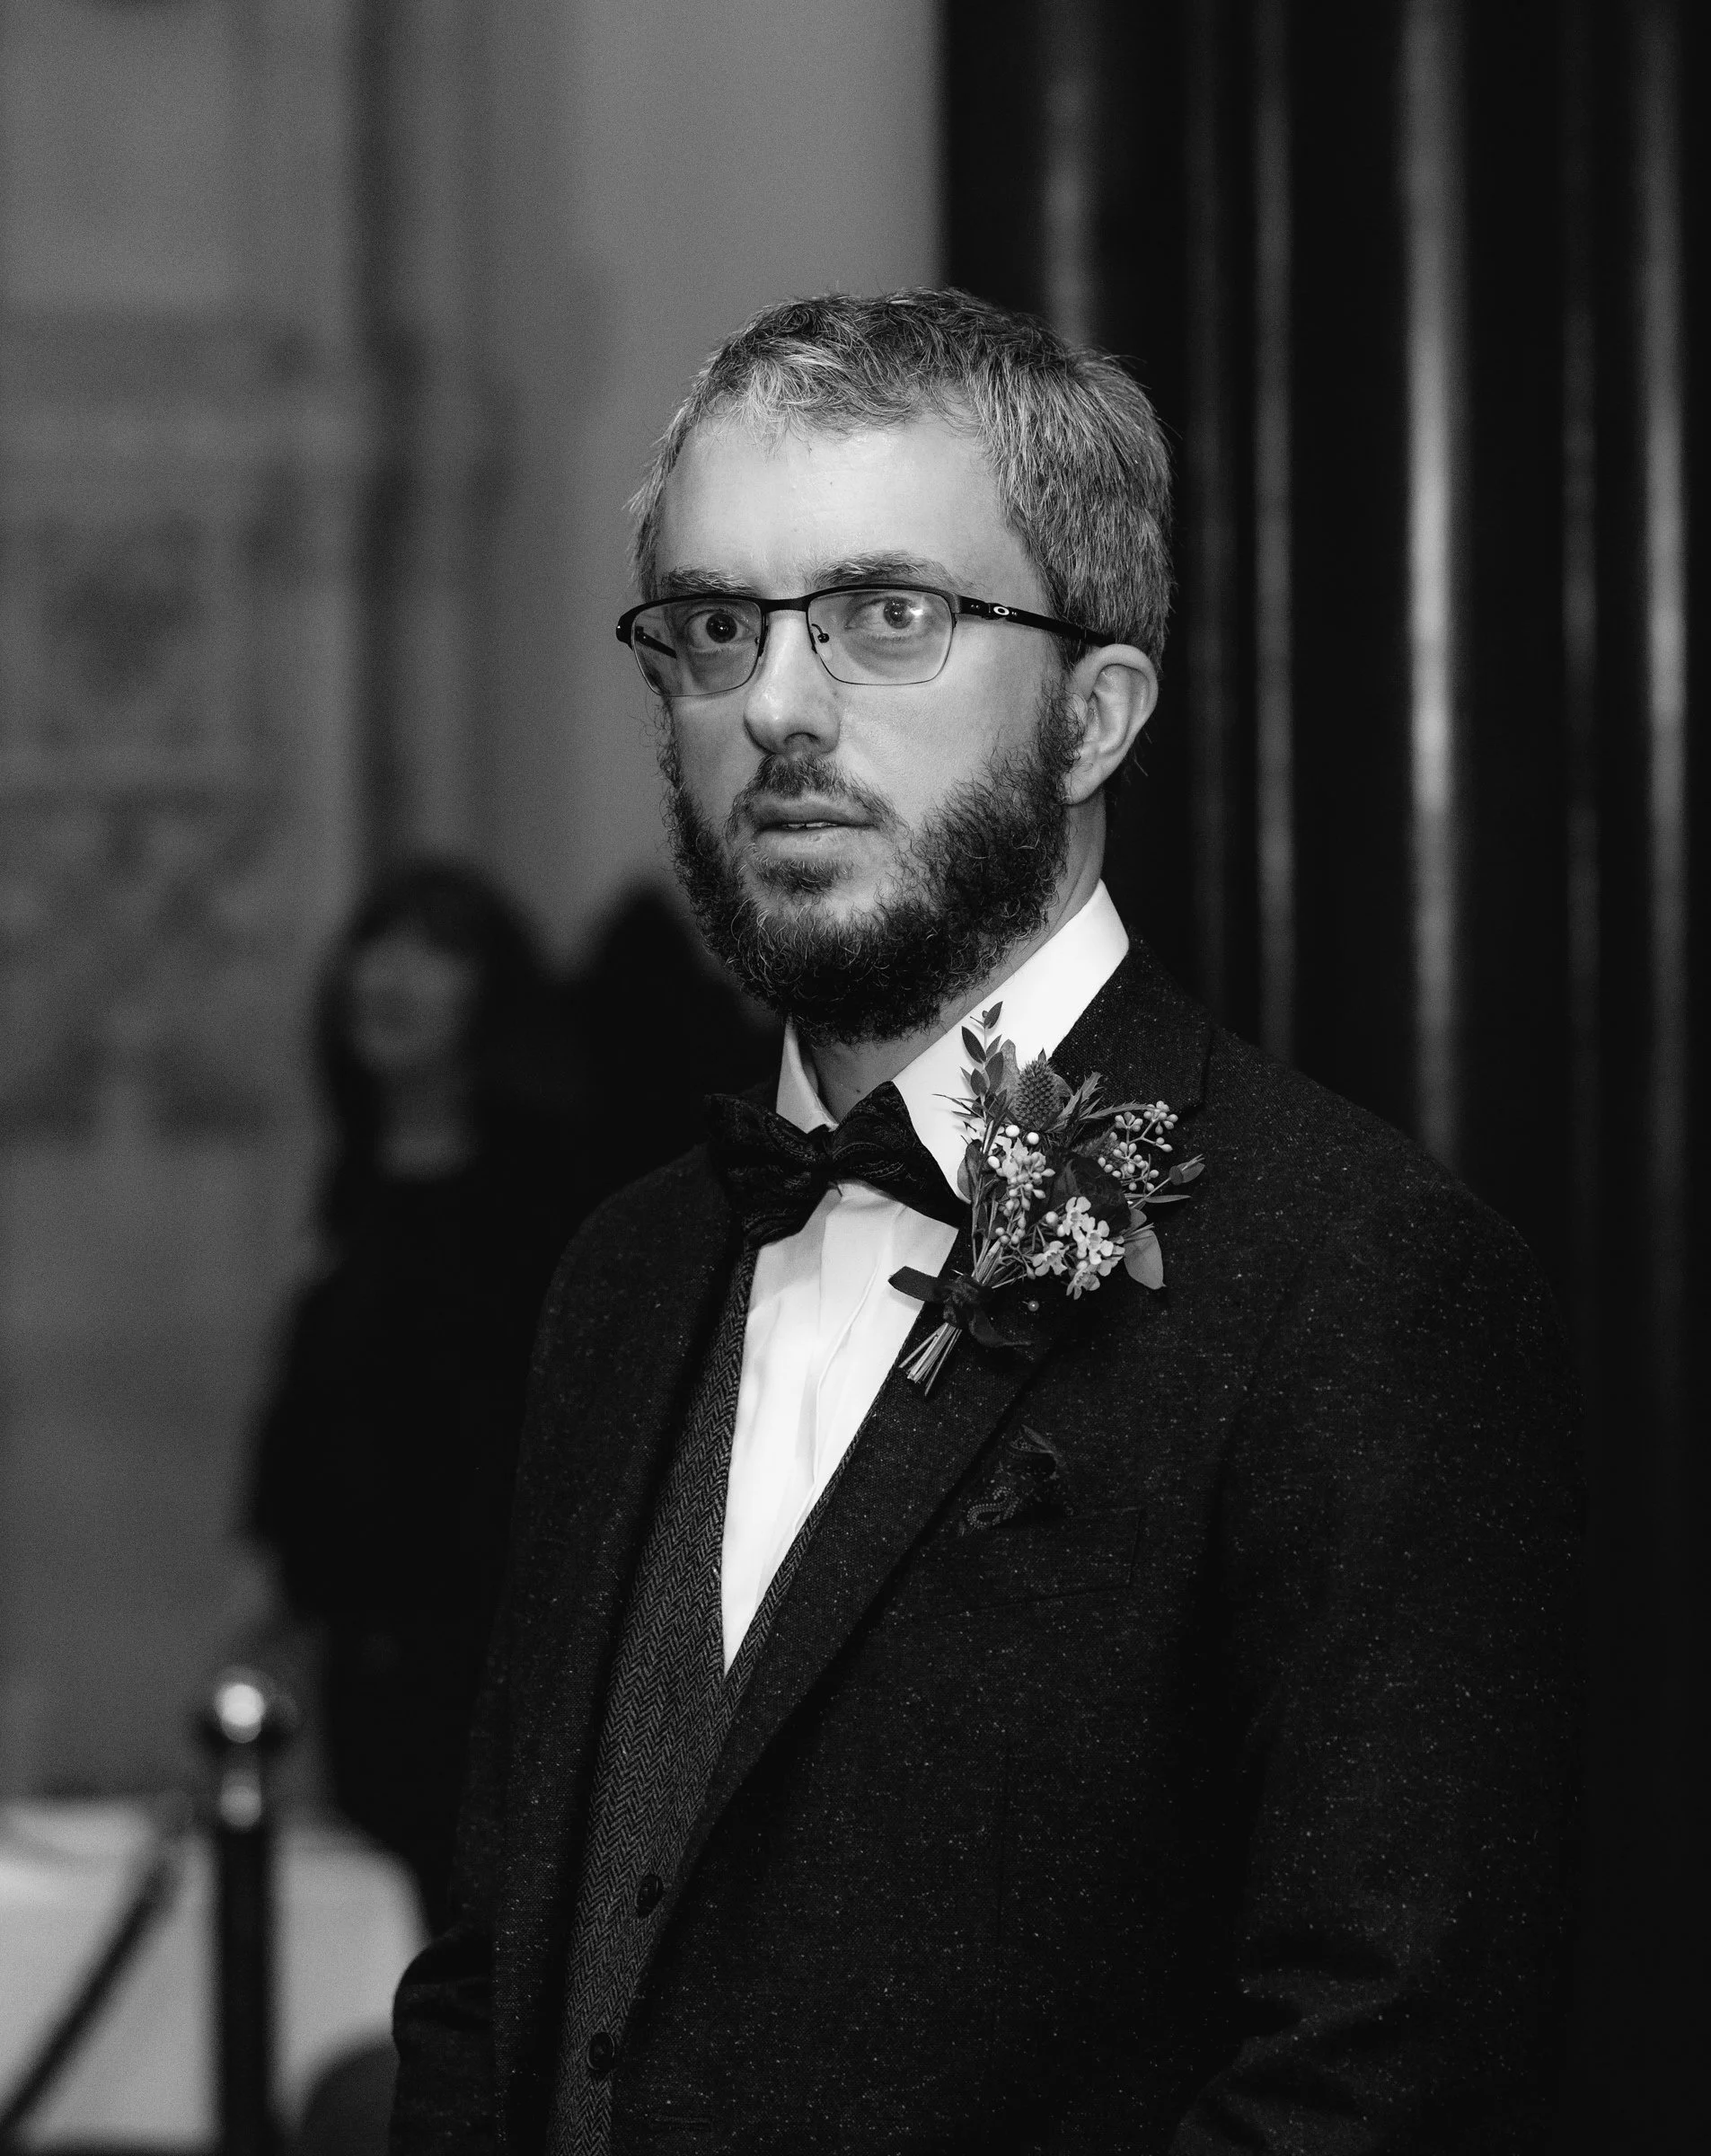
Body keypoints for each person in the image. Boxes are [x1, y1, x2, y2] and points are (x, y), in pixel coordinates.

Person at [390, 292, 1583, 2152]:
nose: (774, 704)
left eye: (888, 618)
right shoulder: (621, 1272)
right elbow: (496, 1970)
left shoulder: (1353, 1278)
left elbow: (1388, 2067)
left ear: (1095, 714)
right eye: (714, 627)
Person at [251, 860, 587, 1929]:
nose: (387, 976)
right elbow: (309, 1418)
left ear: (490, 993)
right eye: (377, 942)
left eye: (434, 948)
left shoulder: (543, 1197)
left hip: (495, 1663)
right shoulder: (355, 1185)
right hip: (363, 1658)